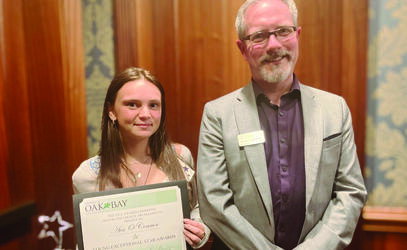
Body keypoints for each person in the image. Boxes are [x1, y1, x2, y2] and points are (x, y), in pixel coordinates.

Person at [196, 0, 367, 249]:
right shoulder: (217, 115)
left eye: (283, 31)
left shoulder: (335, 109)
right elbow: (214, 202)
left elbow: (350, 192)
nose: (274, 45)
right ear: (243, 49)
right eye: (259, 36)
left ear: (297, 36)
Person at [72, 67, 210, 248]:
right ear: (111, 111)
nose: (145, 114)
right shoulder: (87, 175)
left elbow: (198, 208)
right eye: (132, 104)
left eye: (154, 105)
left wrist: (201, 232)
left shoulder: (181, 157)